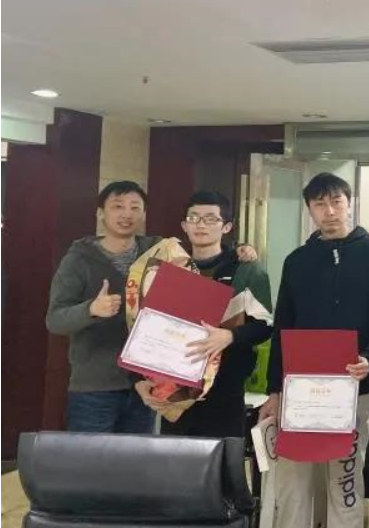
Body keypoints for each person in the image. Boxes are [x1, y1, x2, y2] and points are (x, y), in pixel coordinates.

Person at [259, 172, 369, 528]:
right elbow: (282, 329)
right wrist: (274, 390)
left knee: (345, 479)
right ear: (310, 209)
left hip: (354, 387)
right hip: (299, 390)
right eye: (320, 204)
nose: (330, 211)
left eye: (337, 201)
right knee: (293, 481)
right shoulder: (297, 261)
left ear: (349, 203)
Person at [46, 181, 160, 433]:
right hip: (94, 387)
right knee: (89, 457)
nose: (126, 214)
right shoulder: (78, 259)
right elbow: (55, 320)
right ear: (101, 213)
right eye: (118, 206)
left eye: (134, 207)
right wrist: (91, 309)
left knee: (136, 457)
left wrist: (242, 252)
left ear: (143, 214)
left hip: (145, 385)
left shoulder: (157, 254)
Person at [157, 190, 273, 438]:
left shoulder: (246, 271)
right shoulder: (170, 268)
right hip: (176, 388)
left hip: (225, 387)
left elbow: (265, 327)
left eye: (211, 219)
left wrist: (230, 336)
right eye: (194, 218)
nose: (201, 225)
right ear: (184, 226)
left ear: (227, 227)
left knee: (221, 457)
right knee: (174, 457)